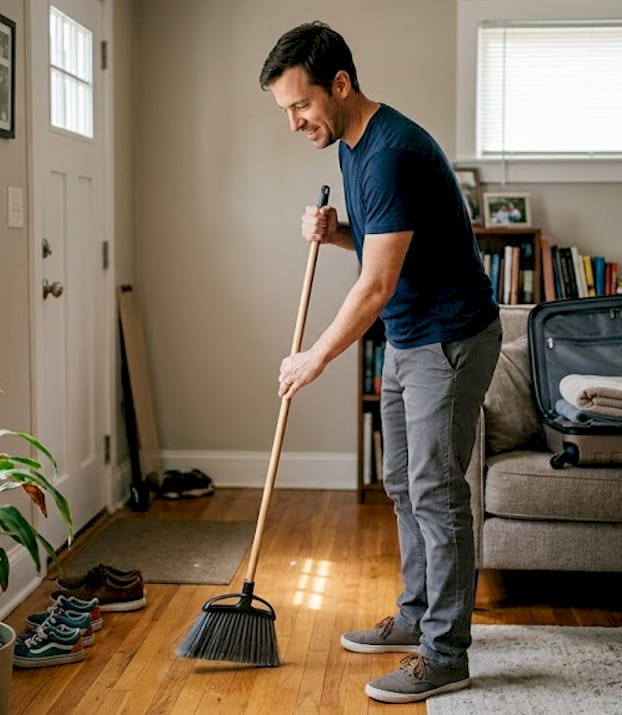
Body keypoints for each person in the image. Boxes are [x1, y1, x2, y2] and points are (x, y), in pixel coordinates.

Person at [259, 21, 501, 704]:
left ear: (339, 85)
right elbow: (382, 244)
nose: (295, 123)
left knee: (436, 490)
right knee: (401, 480)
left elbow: (377, 284)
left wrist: (314, 357)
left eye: (300, 106)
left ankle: (446, 651)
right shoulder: (354, 148)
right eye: (286, 111)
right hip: (408, 336)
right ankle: (419, 612)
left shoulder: (392, 149)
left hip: (449, 339)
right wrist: (338, 231)